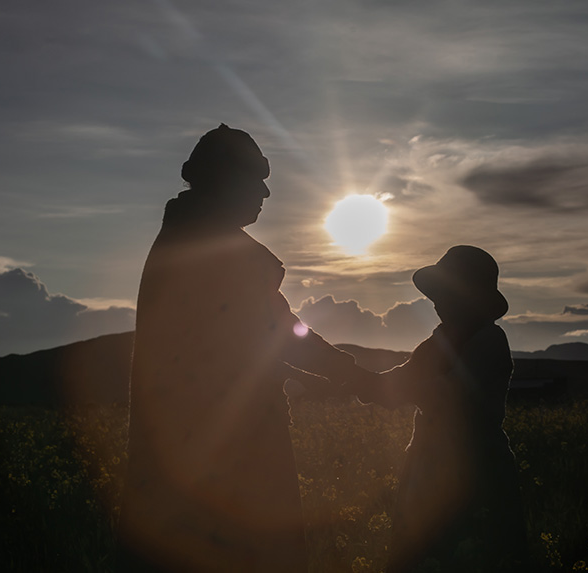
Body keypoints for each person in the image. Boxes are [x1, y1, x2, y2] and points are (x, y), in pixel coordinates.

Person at [118, 124, 366, 572]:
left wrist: (331, 374)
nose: (266, 193)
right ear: (225, 180)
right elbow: (276, 331)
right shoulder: (220, 252)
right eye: (256, 179)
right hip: (230, 449)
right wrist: (350, 373)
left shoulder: (183, 240)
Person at [346, 245, 530, 572]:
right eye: (436, 297)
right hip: (428, 467)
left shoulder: (490, 340)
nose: (436, 304)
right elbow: (402, 378)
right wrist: (356, 383)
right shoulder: (440, 339)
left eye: (443, 295)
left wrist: (369, 385)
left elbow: (446, 393)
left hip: (476, 468)